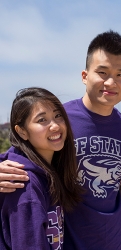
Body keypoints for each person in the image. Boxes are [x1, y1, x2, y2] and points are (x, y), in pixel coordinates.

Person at [0, 30, 121, 250]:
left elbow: (119, 187)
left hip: (118, 242)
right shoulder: (59, 121)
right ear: (85, 76)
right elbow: (22, 157)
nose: (111, 82)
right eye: (102, 72)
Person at [0, 87, 82, 249]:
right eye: (42, 120)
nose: (55, 126)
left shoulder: (49, 171)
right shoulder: (24, 184)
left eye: (58, 116)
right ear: (22, 132)